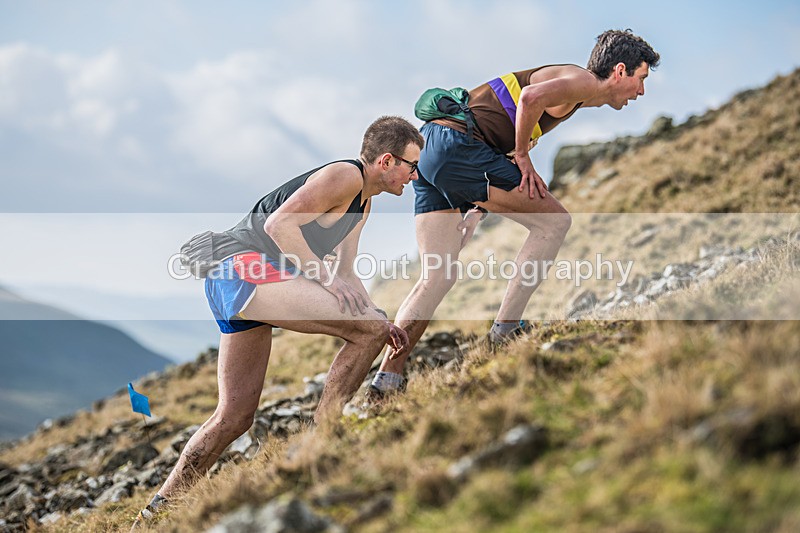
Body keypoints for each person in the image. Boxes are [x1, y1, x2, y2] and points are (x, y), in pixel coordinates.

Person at [132, 116, 423, 528]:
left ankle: (155, 512)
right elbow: (278, 224)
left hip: (238, 280)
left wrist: (377, 314)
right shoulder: (346, 175)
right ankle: (322, 440)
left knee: (235, 416)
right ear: (387, 160)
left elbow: (345, 273)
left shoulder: (364, 201)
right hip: (241, 269)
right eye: (412, 166)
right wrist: (350, 304)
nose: (415, 175)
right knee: (367, 331)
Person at [368, 30, 660, 397]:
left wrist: (474, 209)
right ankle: (506, 328)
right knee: (554, 222)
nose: (641, 91)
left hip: (429, 150)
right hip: (457, 148)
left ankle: (387, 378)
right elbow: (531, 97)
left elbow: (499, 131)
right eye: (641, 78)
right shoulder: (583, 81)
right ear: (620, 71)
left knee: (437, 275)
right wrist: (523, 154)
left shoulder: (573, 91)